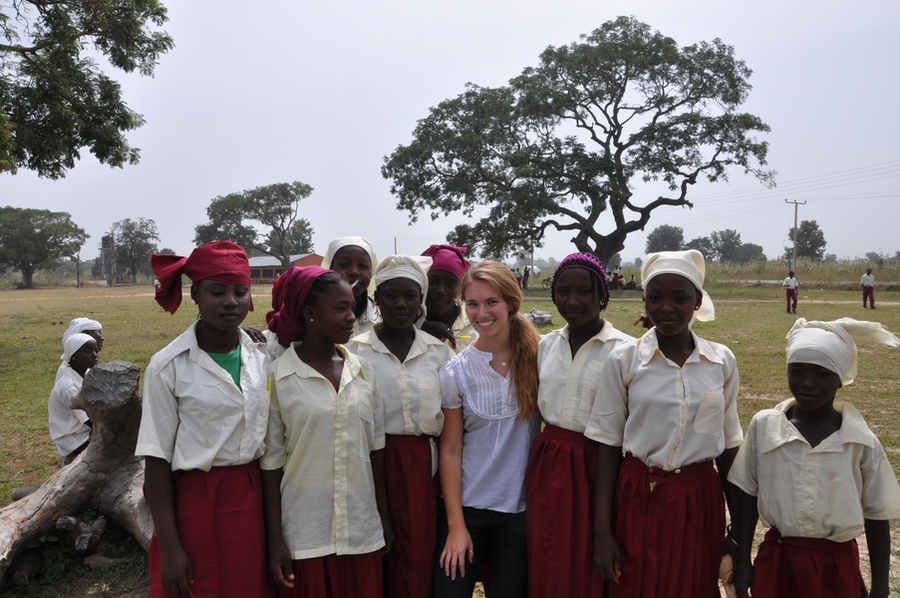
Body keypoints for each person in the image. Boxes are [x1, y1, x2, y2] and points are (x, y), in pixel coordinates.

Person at [586, 249, 742, 598]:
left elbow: (729, 447)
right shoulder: (625, 360)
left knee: (691, 586)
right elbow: (608, 446)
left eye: (680, 298)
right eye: (655, 298)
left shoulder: (720, 362)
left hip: (698, 501)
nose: (666, 308)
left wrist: (740, 533)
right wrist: (602, 533)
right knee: (636, 587)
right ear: (645, 302)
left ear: (698, 301)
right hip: (638, 495)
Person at [136, 241, 275, 598]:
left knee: (250, 587)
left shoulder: (263, 356)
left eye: (240, 291)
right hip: (195, 501)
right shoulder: (168, 366)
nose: (230, 301)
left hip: (252, 496)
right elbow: (156, 459)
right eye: (217, 291)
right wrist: (170, 547)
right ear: (195, 294)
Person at [729, 318, 900, 598]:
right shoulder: (765, 427)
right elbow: (747, 493)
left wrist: (880, 586)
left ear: (841, 378)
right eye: (797, 371)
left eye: (822, 374)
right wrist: (744, 558)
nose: (807, 383)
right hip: (778, 563)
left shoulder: (861, 441)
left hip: (836, 566)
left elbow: (877, 514)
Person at [262, 266, 392, 598]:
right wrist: (275, 539)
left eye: (352, 307)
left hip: (361, 529)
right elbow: (272, 465)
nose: (351, 317)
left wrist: (382, 520)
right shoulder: (279, 377)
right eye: (340, 308)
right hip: (305, 534)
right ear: (309, 314)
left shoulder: (363, 372)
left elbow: (376, 452)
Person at [526, 253, 634, 598]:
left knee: (593, 559)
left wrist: (604, 528)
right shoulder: (546, 346)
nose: (573, 301)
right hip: (549, 465)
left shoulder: (626, 350)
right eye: (563, 292)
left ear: (603, 296)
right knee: (549, 557)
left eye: (584, 291)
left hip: (600, 465)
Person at [348, 254, 455, 598]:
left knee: (418, 554)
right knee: (376, 550)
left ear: (421, 301)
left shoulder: (439, 353)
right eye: (391, 295)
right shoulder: (355, 352)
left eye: (410, 296)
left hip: (424, 466)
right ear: (376, 300)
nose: (401, 303)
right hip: (372, 464)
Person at [433, 260, 542, 598]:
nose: (482, 313)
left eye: (491, 302)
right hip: (469, 509)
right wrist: (456, 527)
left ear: (511, 302)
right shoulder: (456, 372)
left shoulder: (541, 358)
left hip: (519, 512)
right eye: (473, 304)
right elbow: (450, 450)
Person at [49, 332, 99, 465]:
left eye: (96, 350)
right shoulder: (68, 386)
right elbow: (88, 420)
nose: (94, 354)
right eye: (88, 351)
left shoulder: (87, 374)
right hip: (75, 439)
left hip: (85, 431)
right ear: (74, 356)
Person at [420, 243, 477, 352]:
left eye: (451, 285)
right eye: (434, 281)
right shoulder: (403, 321)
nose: (441, 291)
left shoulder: (474, 325)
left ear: (460, 289)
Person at [321, 236, 380, 336]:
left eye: (362, 266)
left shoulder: (381, 320)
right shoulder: (318, 317)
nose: (354, 272)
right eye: (344, 264)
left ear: (371, 272)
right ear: (330, 269)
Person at [54, 318, 103, 382]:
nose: (102, 338)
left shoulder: (81, 365)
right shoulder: (68, 377)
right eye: (99, 333)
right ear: (85, 334)